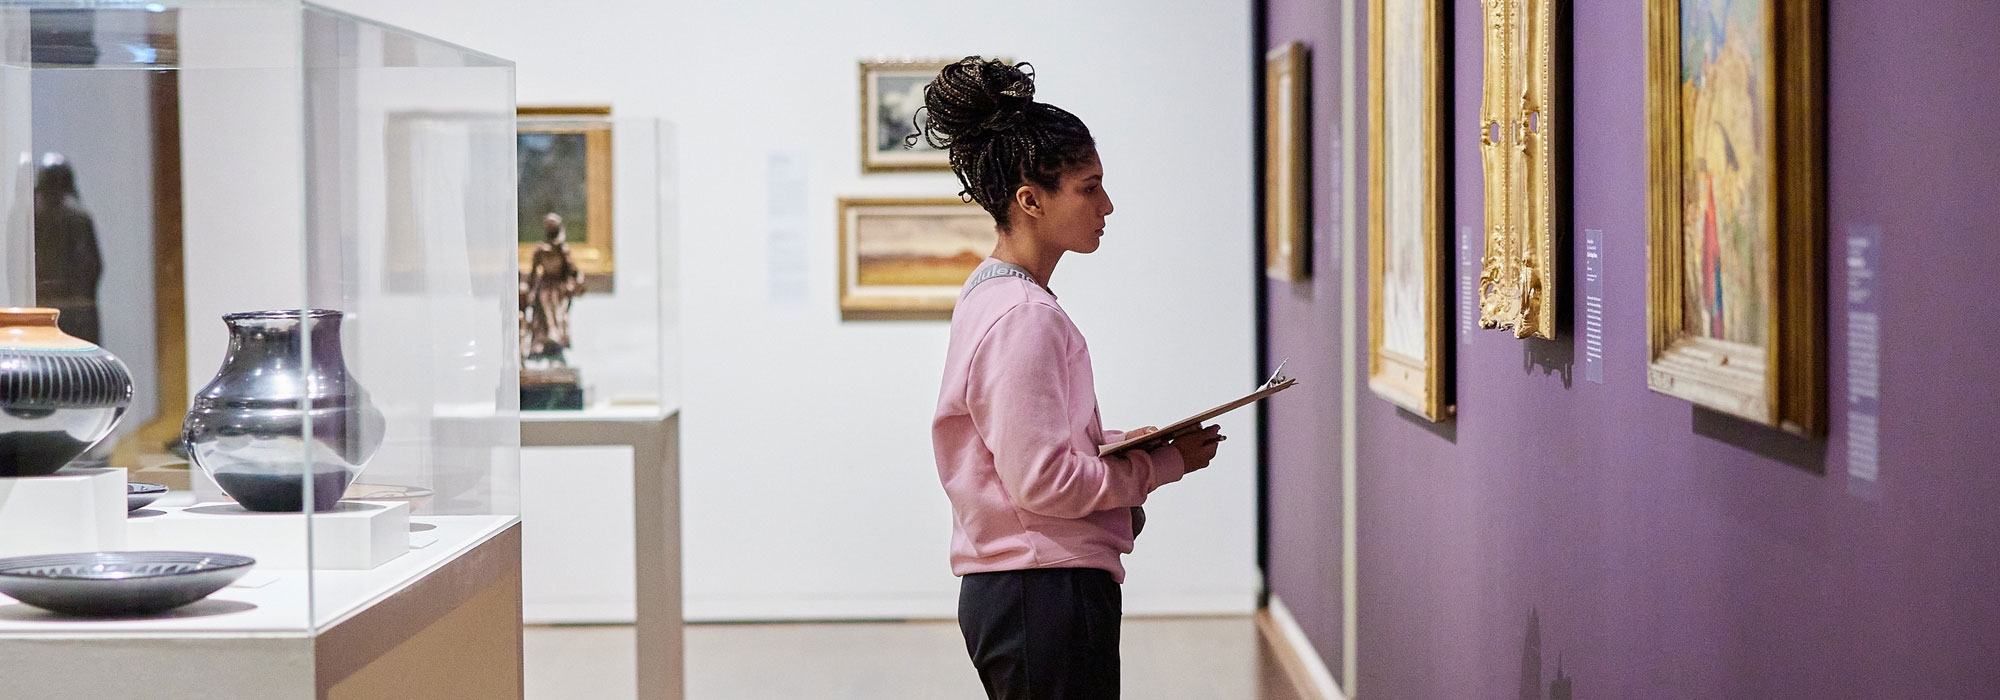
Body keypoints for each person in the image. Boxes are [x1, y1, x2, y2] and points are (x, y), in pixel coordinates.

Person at [920, 57, 1226, 700]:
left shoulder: (991, 294)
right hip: (1043, 592)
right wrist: (1163, 464)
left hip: (1027, 588)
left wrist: (1119, 443)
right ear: (1030, 200)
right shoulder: (1024, 316)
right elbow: (1043, 481)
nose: (1107, 205)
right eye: (1089, 187)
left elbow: (1020, 453)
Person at [521, 212, 585, 364]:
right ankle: (544, 341)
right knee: (543, 306)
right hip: (545, 287)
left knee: (557, 310)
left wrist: (577, 281)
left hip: (559, 288)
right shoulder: (540, 250)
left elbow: (572, 270)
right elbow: (533, 273)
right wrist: (529, 290)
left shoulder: (563, 250)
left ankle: (556, 340)